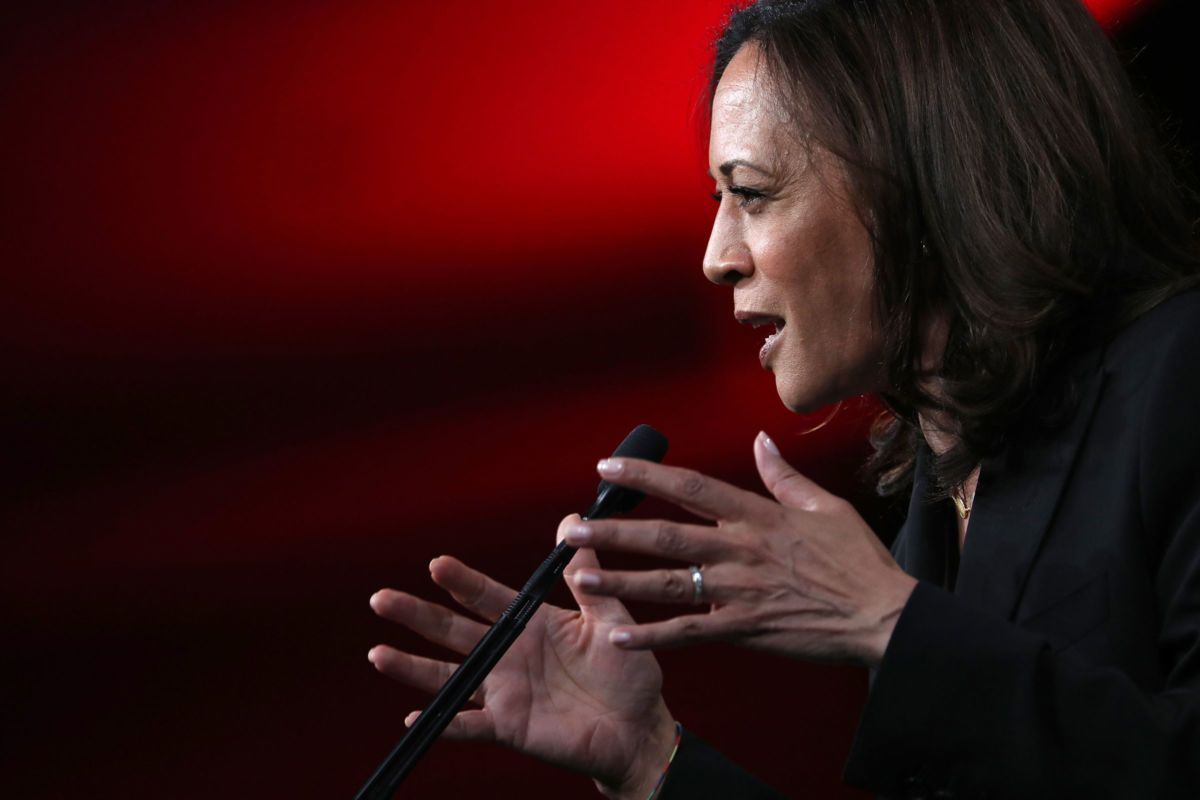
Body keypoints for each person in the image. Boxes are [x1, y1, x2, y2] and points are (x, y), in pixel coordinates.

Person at [367, 0, 1200, 796]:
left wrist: (894, 626)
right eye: (716, 199)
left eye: (753, 193)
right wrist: (649, 760)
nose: (716, 256)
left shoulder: (1180, 373)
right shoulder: (935, 507)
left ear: (920, 183)